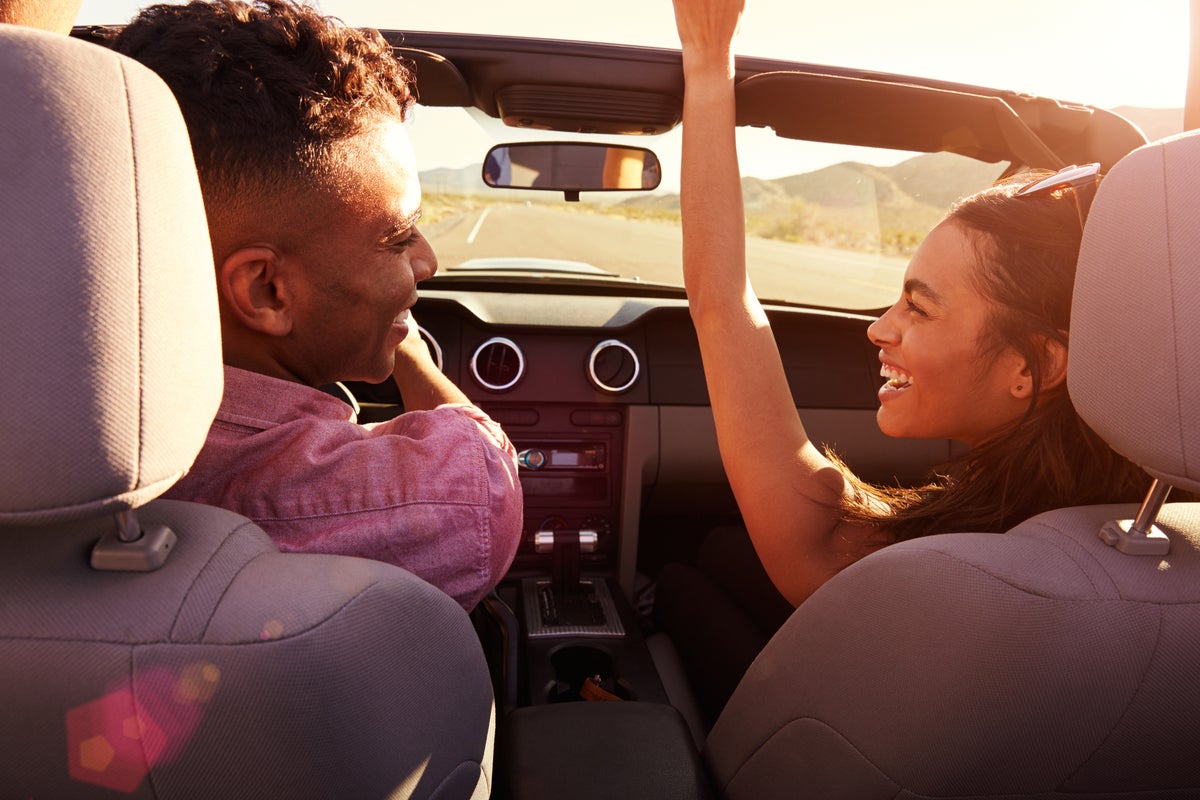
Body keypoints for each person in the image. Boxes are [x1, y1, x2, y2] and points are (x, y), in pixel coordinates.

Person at [658, 0, 1155, 723]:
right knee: (720, 550)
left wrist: (708, 61)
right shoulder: (1150, 536)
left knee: (677, 583)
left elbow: (720, 304)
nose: (877, 329)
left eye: (918, 308)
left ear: (1036, 366)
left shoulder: (924, 570)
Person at [109, 0, 523, 611]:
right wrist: (409, 346)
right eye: (398, 238)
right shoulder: (360, 498)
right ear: (265, 291)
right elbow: (487, 482)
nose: (427, 262)